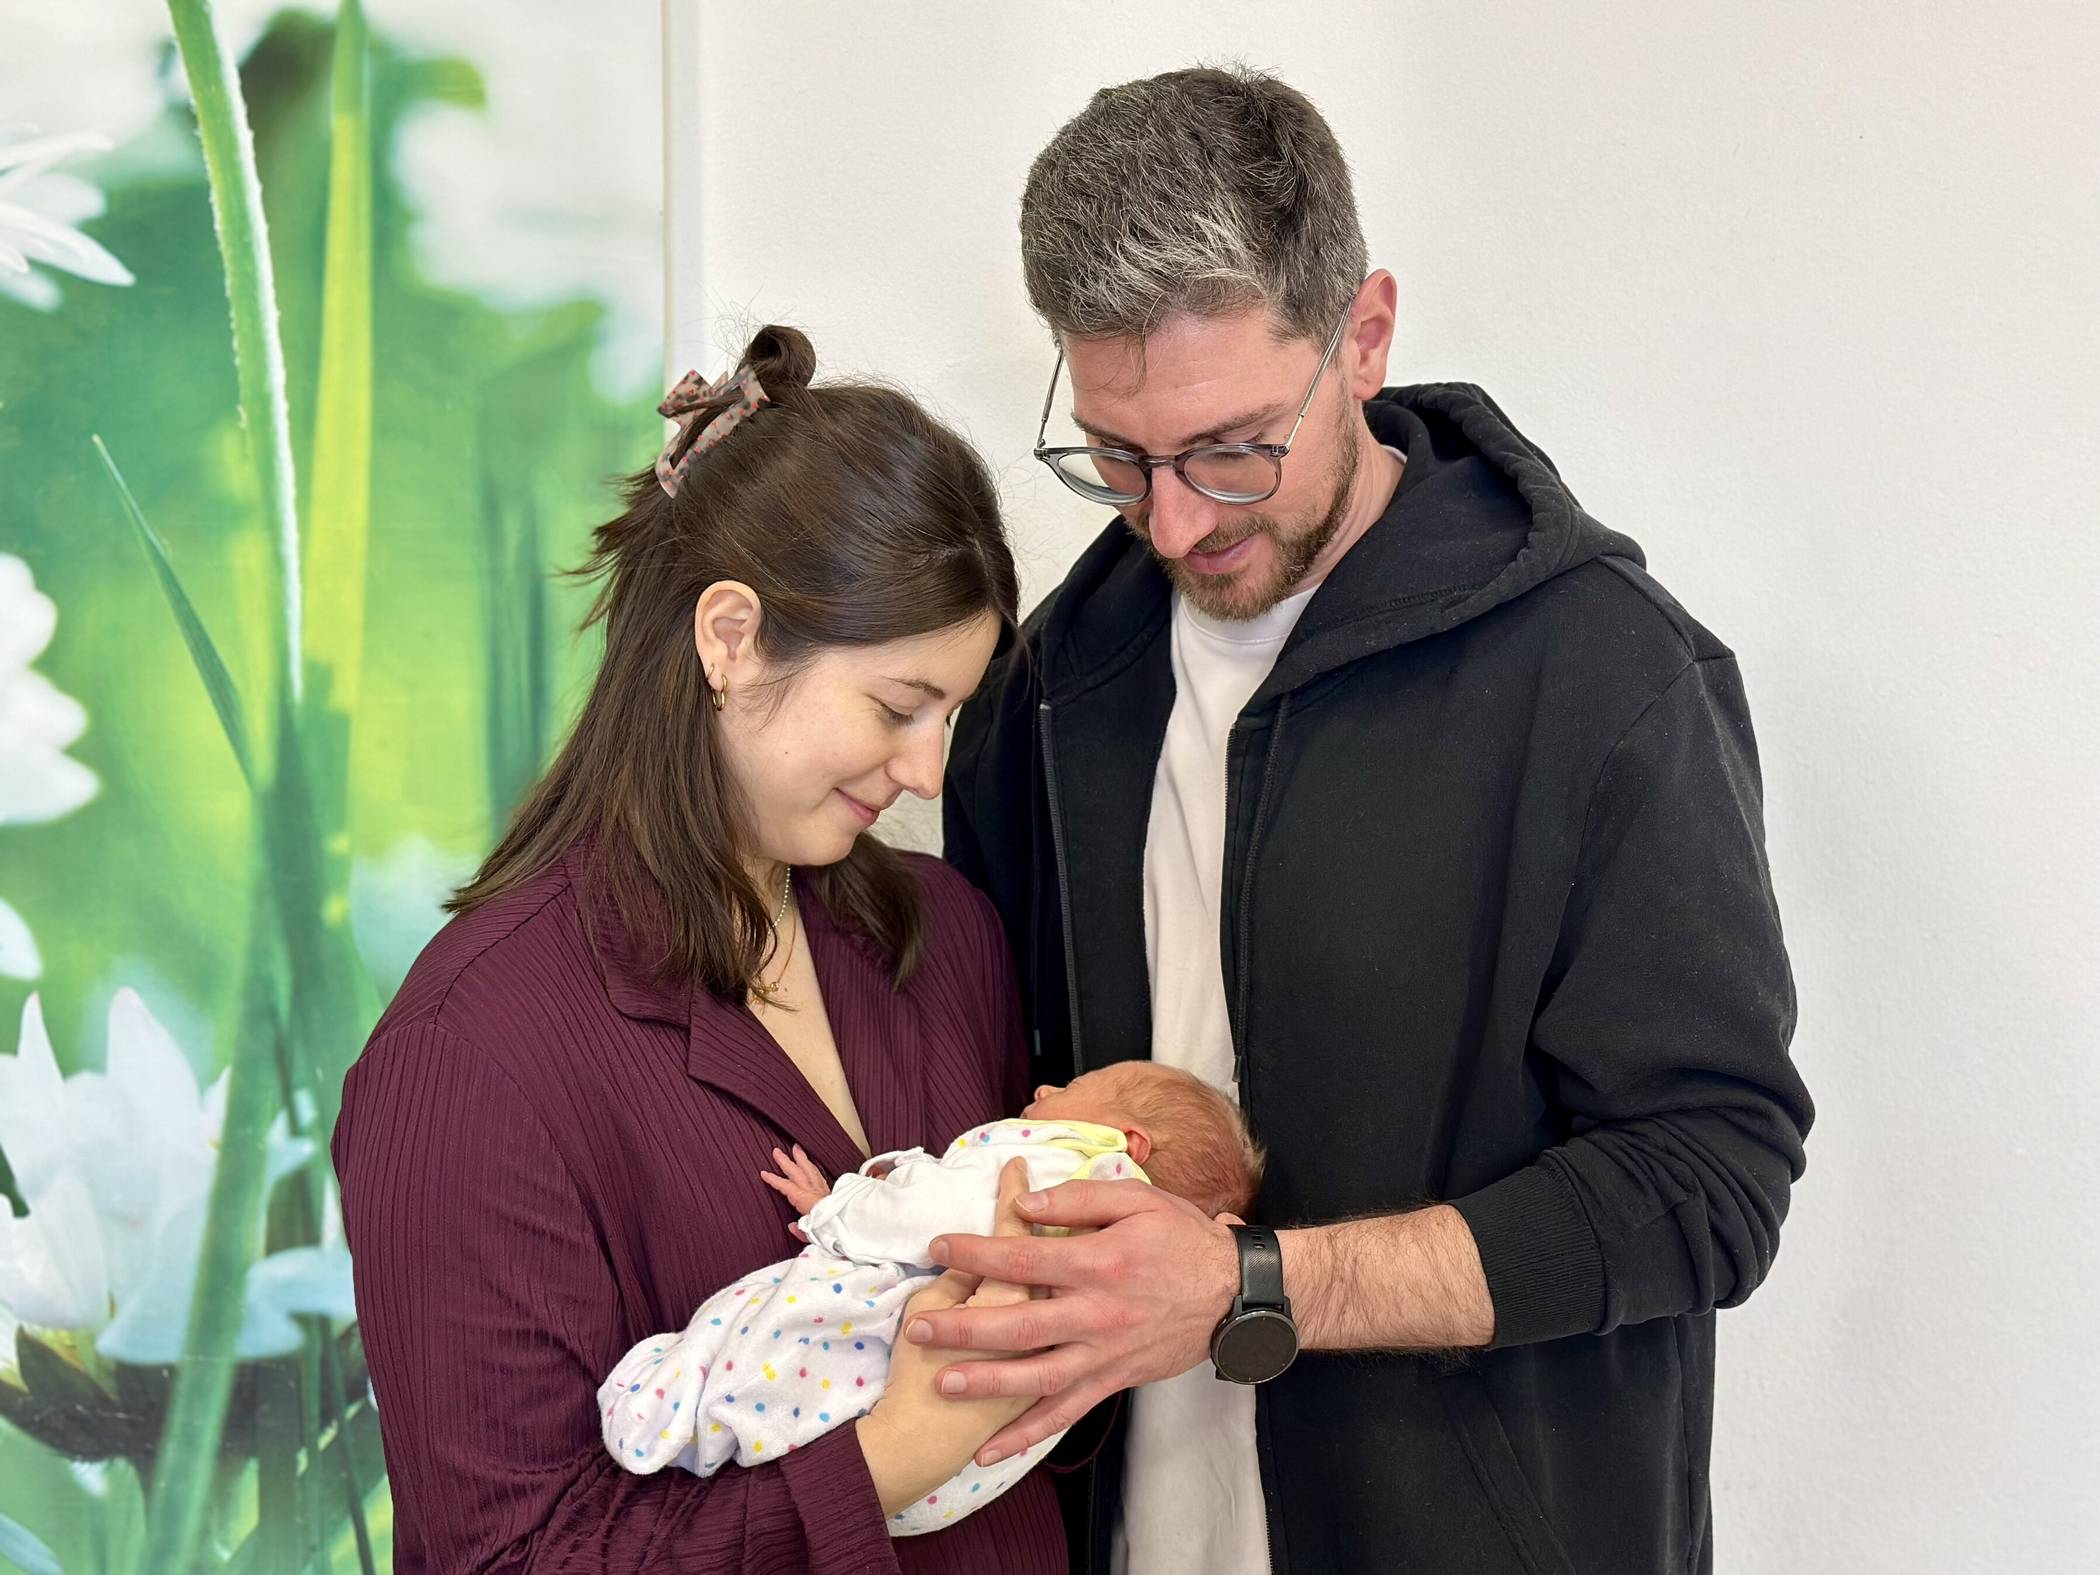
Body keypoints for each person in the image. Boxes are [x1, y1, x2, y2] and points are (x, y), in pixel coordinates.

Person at [931, 67, 1816, 1574]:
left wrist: (1252, 1286)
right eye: (1119, 455)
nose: (1177, 522)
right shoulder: (1053, 681)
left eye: (1230, 448)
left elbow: (1709, 1179)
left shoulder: (1606, 677)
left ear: (1366, 333)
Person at [331, 325, 1071, 1574]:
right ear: (730, 637)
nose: (928, 771)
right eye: (899, 708)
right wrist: (882, 1459)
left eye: (954, 713)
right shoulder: (467, 1059)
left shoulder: (948, 939)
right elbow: (507, 1557)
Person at [599, 1061, 1261, 1538]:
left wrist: (841, 1205)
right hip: (950, 1480)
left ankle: (671, 1406)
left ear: (1127, 1142)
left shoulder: (1070, 1169)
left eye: (1074, 1088)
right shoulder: (1131, 1265)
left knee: (780, 1324)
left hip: (907, 1350)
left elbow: (932, 1218)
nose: (1045, 1087)